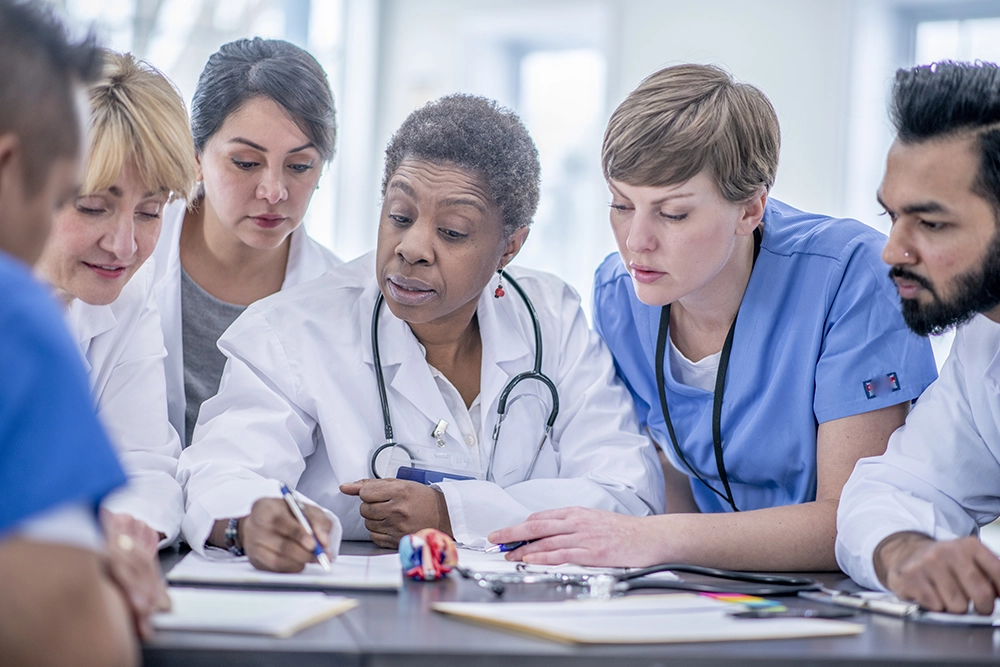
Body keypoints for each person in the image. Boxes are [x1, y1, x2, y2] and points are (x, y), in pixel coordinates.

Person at [176, 94, 665, 572]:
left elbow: (628, 493)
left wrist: (451, 511)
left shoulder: (552, 319)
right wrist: (250, 520)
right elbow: (222, 473)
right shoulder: (291, 331)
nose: (411, 248)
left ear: (510, 246)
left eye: (452, 231)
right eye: (399, 217)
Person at [489, 64, 938, 571]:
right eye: (621, 204)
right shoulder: (620, 295)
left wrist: (649, 538)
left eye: (673, 213)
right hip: (711, 583)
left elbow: (852, 521)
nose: (636, 241)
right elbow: (667, 474)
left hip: (858, 592)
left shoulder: (852, 276)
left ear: (750, 210)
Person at [0, 2, 147, 664]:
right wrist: (104, 574)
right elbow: (80, 645)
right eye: (68, 199)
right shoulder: (17, 320)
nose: (123, 241)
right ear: (7, 164)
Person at [837, 61, 1000, 615]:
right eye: (891, 217)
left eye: (930, 224)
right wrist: (905, 551)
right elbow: (895, 488)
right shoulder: (985, 343)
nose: (892, 252)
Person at [35, 51, 198, 550]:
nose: (123, 246)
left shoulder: (124, 296)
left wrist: (125, 537)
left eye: (150, 213)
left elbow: (145, 466)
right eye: (92, 208)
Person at [150, 37, 342, 448]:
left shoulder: (339, 298)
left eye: (300, 166)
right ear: (196, 156)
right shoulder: (130, 258)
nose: (273, 191)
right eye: (247, 163)